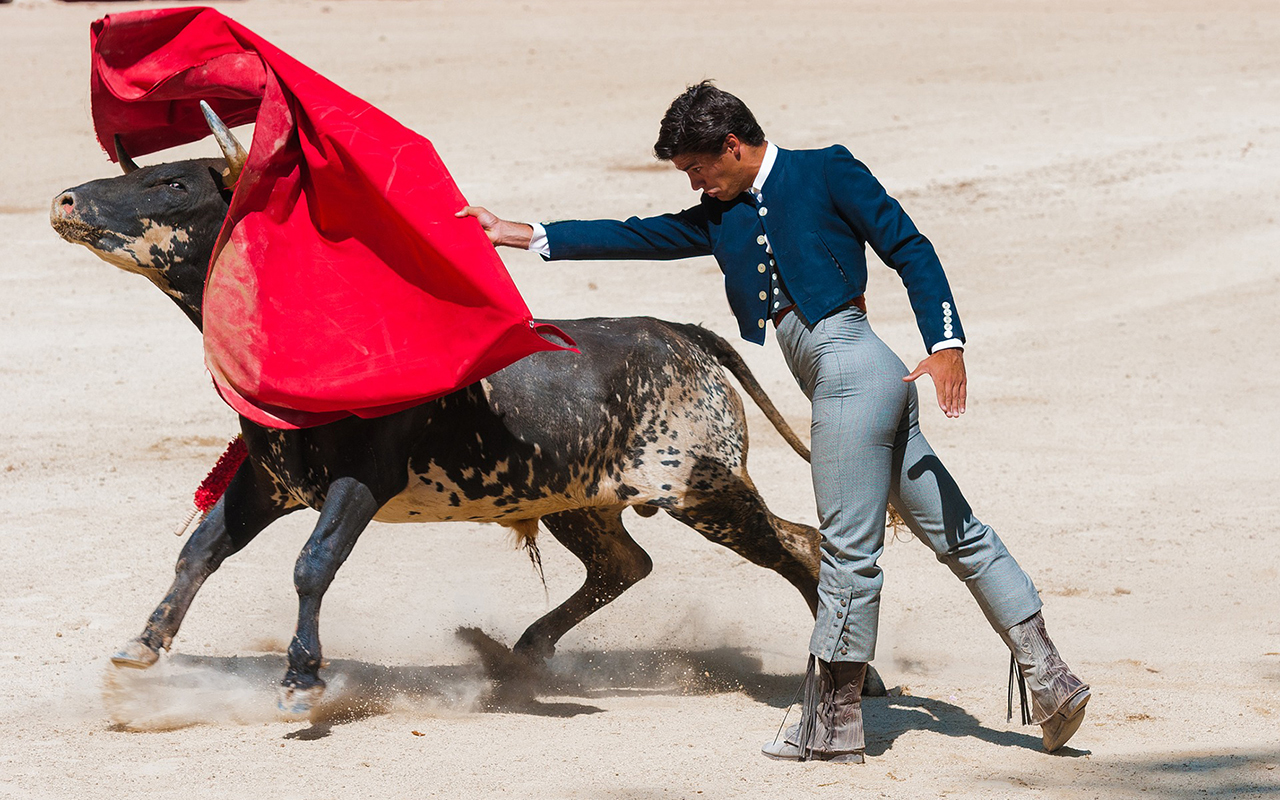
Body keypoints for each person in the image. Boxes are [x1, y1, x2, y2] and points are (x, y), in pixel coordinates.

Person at [458, 81, 1089, 762]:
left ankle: (833, 726)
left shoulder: (826, 169)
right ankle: (1051, 679)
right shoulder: (720, 213)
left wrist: (946, 346)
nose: (696, 181)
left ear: (732, 145)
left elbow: (910, 247)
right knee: (958, 534)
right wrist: (516, 234)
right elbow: (635, 235)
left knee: (850, 551)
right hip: (862, 382)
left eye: (699, 166)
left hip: (852, 374)